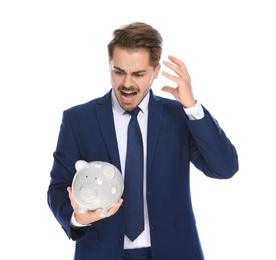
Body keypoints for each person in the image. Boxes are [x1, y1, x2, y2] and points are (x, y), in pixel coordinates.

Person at [47, 22, 239, 260]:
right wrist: (77, 219)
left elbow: (224, 168)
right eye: (119, 72)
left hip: (175, 251)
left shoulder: (178, 115)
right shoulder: (78, 119)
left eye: (138, 74)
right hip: (101, 252)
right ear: (109, 66)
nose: (127, 84)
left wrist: (192, 106)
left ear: (155, 71)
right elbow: (58, 188)